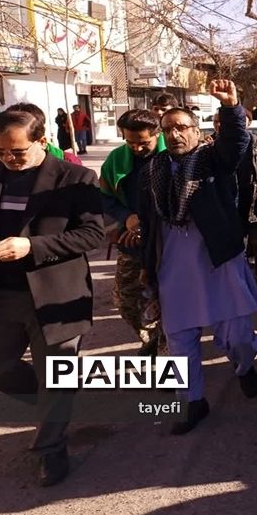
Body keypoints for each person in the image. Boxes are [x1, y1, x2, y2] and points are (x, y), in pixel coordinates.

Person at [0, 106, 104, 486]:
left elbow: (92, 234)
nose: (9, 159)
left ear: (42, 141)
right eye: (1, 151)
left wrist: (32, 246)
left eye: (18, 152)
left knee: (56, 374)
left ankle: (50, 450)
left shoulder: (76, 177)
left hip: (56, 294)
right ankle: (58, 401)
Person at [138, 80, 257, 436]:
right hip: (173, 268)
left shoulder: (213, 160)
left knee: (238, 337)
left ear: (196, 131)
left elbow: (236, 142)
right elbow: (148, 222)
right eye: (168, 129)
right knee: (179, 341)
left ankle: (244, 366)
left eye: (182, 127)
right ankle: (192, 402)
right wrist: (147, 267)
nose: (175, 134)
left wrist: (231, 106)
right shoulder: (152, 170)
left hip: (218, 261)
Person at [100, 109, 167, 356]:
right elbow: (104, 197)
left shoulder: (173, 155)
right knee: (126, 301)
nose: (137, 148)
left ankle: (167, 352)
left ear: (157, 134)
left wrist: (148, 225)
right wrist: (126, 217)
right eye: (130, 143)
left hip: (168, 243)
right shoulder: (116, 159)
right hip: (132, 242)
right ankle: (151, 337)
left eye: (143, 143)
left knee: (171, 303)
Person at [213, 110, 257, 289]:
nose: (220, 125)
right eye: (217, 121)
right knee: (237, 245)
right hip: (231, 202)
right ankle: (239, 280)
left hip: (255, 201)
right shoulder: (212, 146)